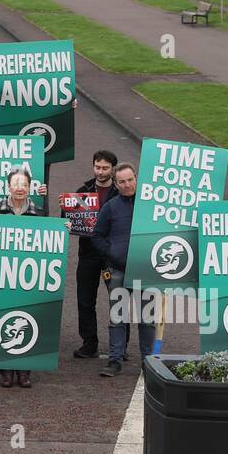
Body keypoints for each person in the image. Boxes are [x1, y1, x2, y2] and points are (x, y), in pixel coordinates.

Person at [0, 168, 43, 388]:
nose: (20, 188)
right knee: (4, 318)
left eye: (24, 184)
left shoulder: (39, 211)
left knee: (29, 317)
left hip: (28, 275)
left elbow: (47, 241)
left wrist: (62, 228)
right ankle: (5, 371)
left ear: (29, 187)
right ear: (8, 186)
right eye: (16, 184)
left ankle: (25, 371)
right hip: (1, 274)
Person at [91, 163, 154, 377]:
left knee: (147, 319)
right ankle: (114, 360)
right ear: (116, 185)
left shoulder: (151, 205)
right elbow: (97, 236)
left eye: (130, 180)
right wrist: (112, 254)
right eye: (122, 182)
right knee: (118, 317)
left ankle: (149, 362)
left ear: (136, 178)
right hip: (118, 270)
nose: (127, 185)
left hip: (147, 270)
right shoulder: (110, 207)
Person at [65, 150, 119, 360]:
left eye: (105, 168)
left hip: (113, 254)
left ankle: (119, 345)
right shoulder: (83, 191)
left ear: (112, 169)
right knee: (85, 300)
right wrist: (67, 220)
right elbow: (68, 216)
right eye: (97, 167)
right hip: (87, 254)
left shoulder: (121, 192)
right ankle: (89, 343)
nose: (100, 171)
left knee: (118, 299)